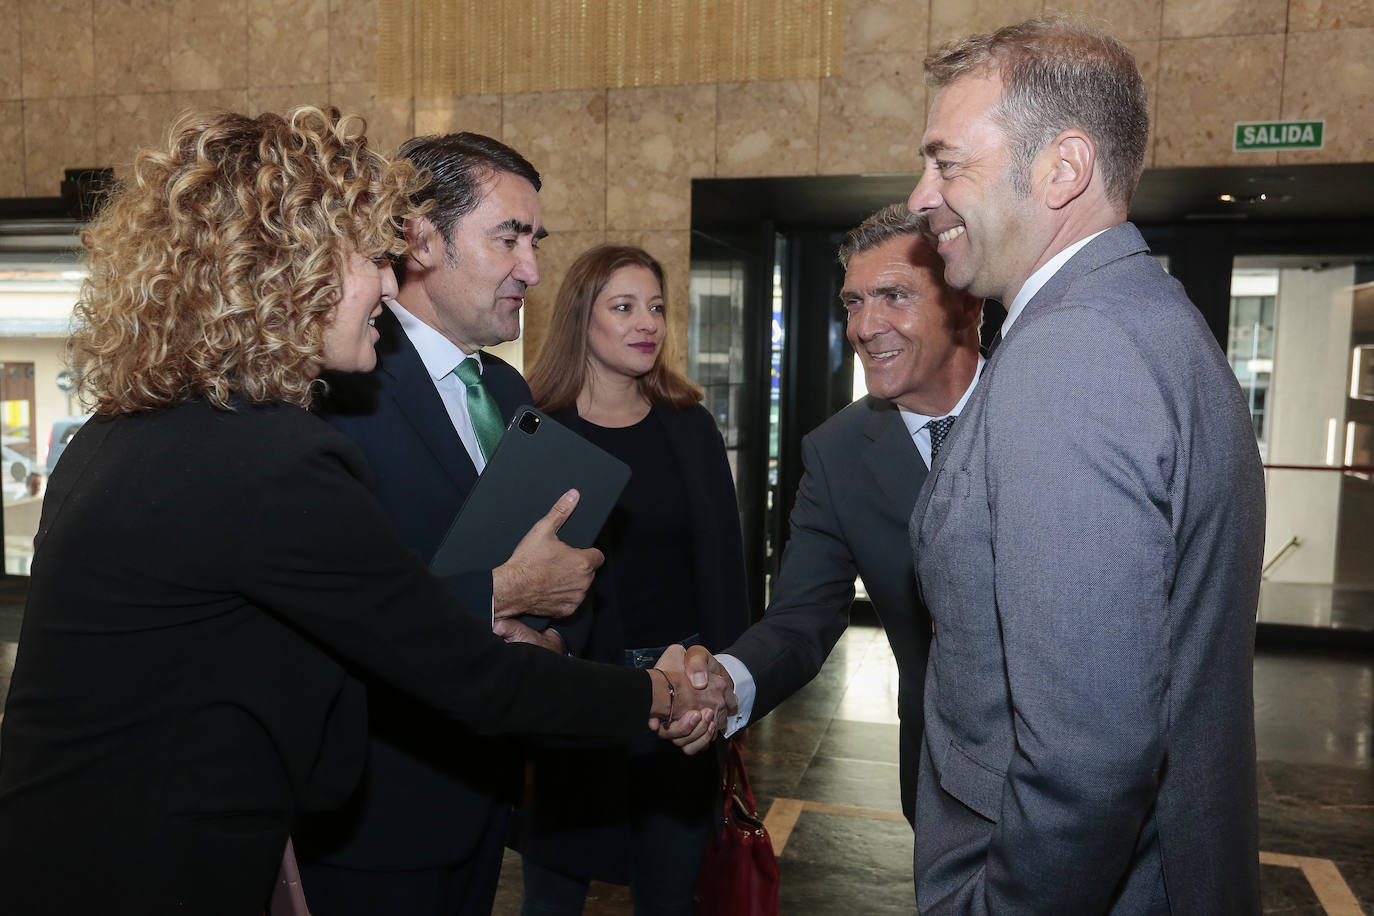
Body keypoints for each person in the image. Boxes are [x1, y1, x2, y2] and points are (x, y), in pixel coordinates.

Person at [0, 107, 725, 916]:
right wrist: (660, 693)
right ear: (282, 268)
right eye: (363, 253)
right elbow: (462, 668)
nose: (387, 278)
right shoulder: (271, 455)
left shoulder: (125, 431)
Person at [905, 18, 1265, 914]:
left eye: (947, 164)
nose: (921, 196)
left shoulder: (1075, 355)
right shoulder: (1145, 316)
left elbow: (1090, 754)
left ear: (1061, 169)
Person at [296, 131, 598, 916]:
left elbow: (557, 563)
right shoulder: (338, 385)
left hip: (484, 799)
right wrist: (503, 594)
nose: (531, 269)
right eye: (508, 238)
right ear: (420, 239)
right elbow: (334, 607)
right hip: (372, 817)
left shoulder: (508, 391)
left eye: (535, 240)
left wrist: (552, 638)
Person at [707, 204, 982, 826]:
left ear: (968, 303)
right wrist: (725, 683)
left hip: (1092, 784)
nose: (864, 326)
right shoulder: (836, 453)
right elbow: (803, 617)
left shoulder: (1051, 411)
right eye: (853, 302)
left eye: (893, 296)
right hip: (940, 782)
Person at [516, 245, 751, 914]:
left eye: (655, 307)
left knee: (671, 895)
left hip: (681, 707)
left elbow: (724, 569)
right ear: (580, 323)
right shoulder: (540, 432)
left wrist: (724, 685)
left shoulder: (690, 425)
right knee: (551, 898)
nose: (646, 322)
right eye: (623, 307)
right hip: (577, 706)